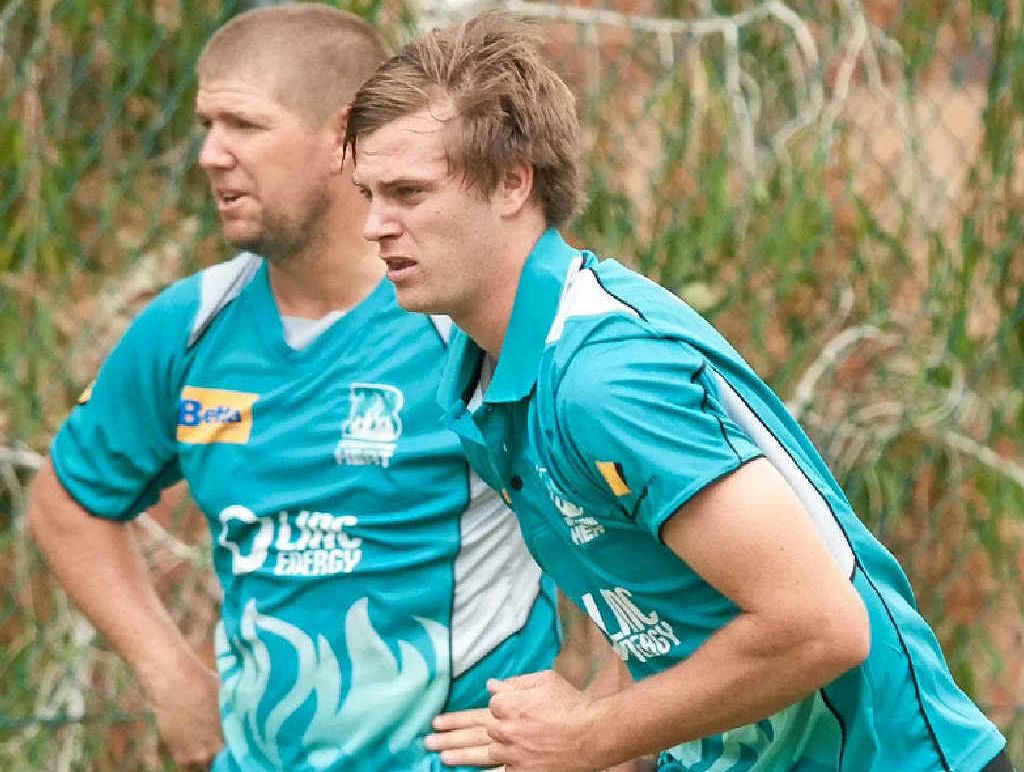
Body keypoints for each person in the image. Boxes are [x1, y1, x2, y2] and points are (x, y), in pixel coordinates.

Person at [344, 11, 1012, 772]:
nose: (374, 226)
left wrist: (592, 734)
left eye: (407, 192)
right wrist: (589, 741)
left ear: (511, 182)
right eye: (367, 193)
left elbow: (822, 627)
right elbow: (651, 603)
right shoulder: (484, 374)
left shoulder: (605, 378)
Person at [26, 5, 564, 771]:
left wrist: (606, 728)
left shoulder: (471, 322)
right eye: (206, 125)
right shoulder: (191, 325)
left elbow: (632, 522)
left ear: (344, 140)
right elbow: (69, 501)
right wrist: (170, 676)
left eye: (243, 125)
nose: (212, 154)